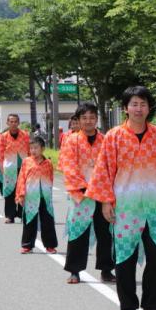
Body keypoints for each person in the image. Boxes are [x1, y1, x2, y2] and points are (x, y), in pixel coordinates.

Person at [86, 85, 156, 310]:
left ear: (149, 108)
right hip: (125, 206)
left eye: (143, 104)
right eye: (134, 104)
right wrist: (106, 202)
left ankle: (153, 304)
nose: (139, 108)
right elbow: (104, 170)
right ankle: (128, 305)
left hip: (154, 205)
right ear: (126, 108)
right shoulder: (114, 136)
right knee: (125, 256)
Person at [60, 104, 115, 284]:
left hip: (103, 193)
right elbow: (68, 166)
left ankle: (106, 270)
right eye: (84, 118)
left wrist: (103, 189)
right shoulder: (71, 141)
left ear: (96, 119)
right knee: (77, 232)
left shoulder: (106, 140)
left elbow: (111, 167)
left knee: (106, 232)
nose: (88, 121)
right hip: (80, 194)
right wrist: (83, 188)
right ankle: (74, 270)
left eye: (92, 117)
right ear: (78, 120)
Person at [16, 136, 58, 254]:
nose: (33, 150)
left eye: (36, 148)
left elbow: (51, 178)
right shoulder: (26, 162)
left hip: (45, 197)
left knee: (48, 221)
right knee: (29, 221)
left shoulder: (48, 163)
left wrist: (48, 192)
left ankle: (50, 245)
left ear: (42, 149)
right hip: (31, 196)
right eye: (31, 148)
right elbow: (21, 178)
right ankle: (27, 245)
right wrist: (21, 194)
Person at [0, 115, 29, 223]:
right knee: (9, 191)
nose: (13, 123)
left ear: (18, 122)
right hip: (9, 168)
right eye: (11, 121)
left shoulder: (25, 135)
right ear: (7, 123)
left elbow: (30, 151)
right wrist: (2, 168)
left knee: (23, 191)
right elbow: (1, 154)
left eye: (15, 121)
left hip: (23, 167)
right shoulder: (3, 136)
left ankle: (22, 214)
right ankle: (10, 216)